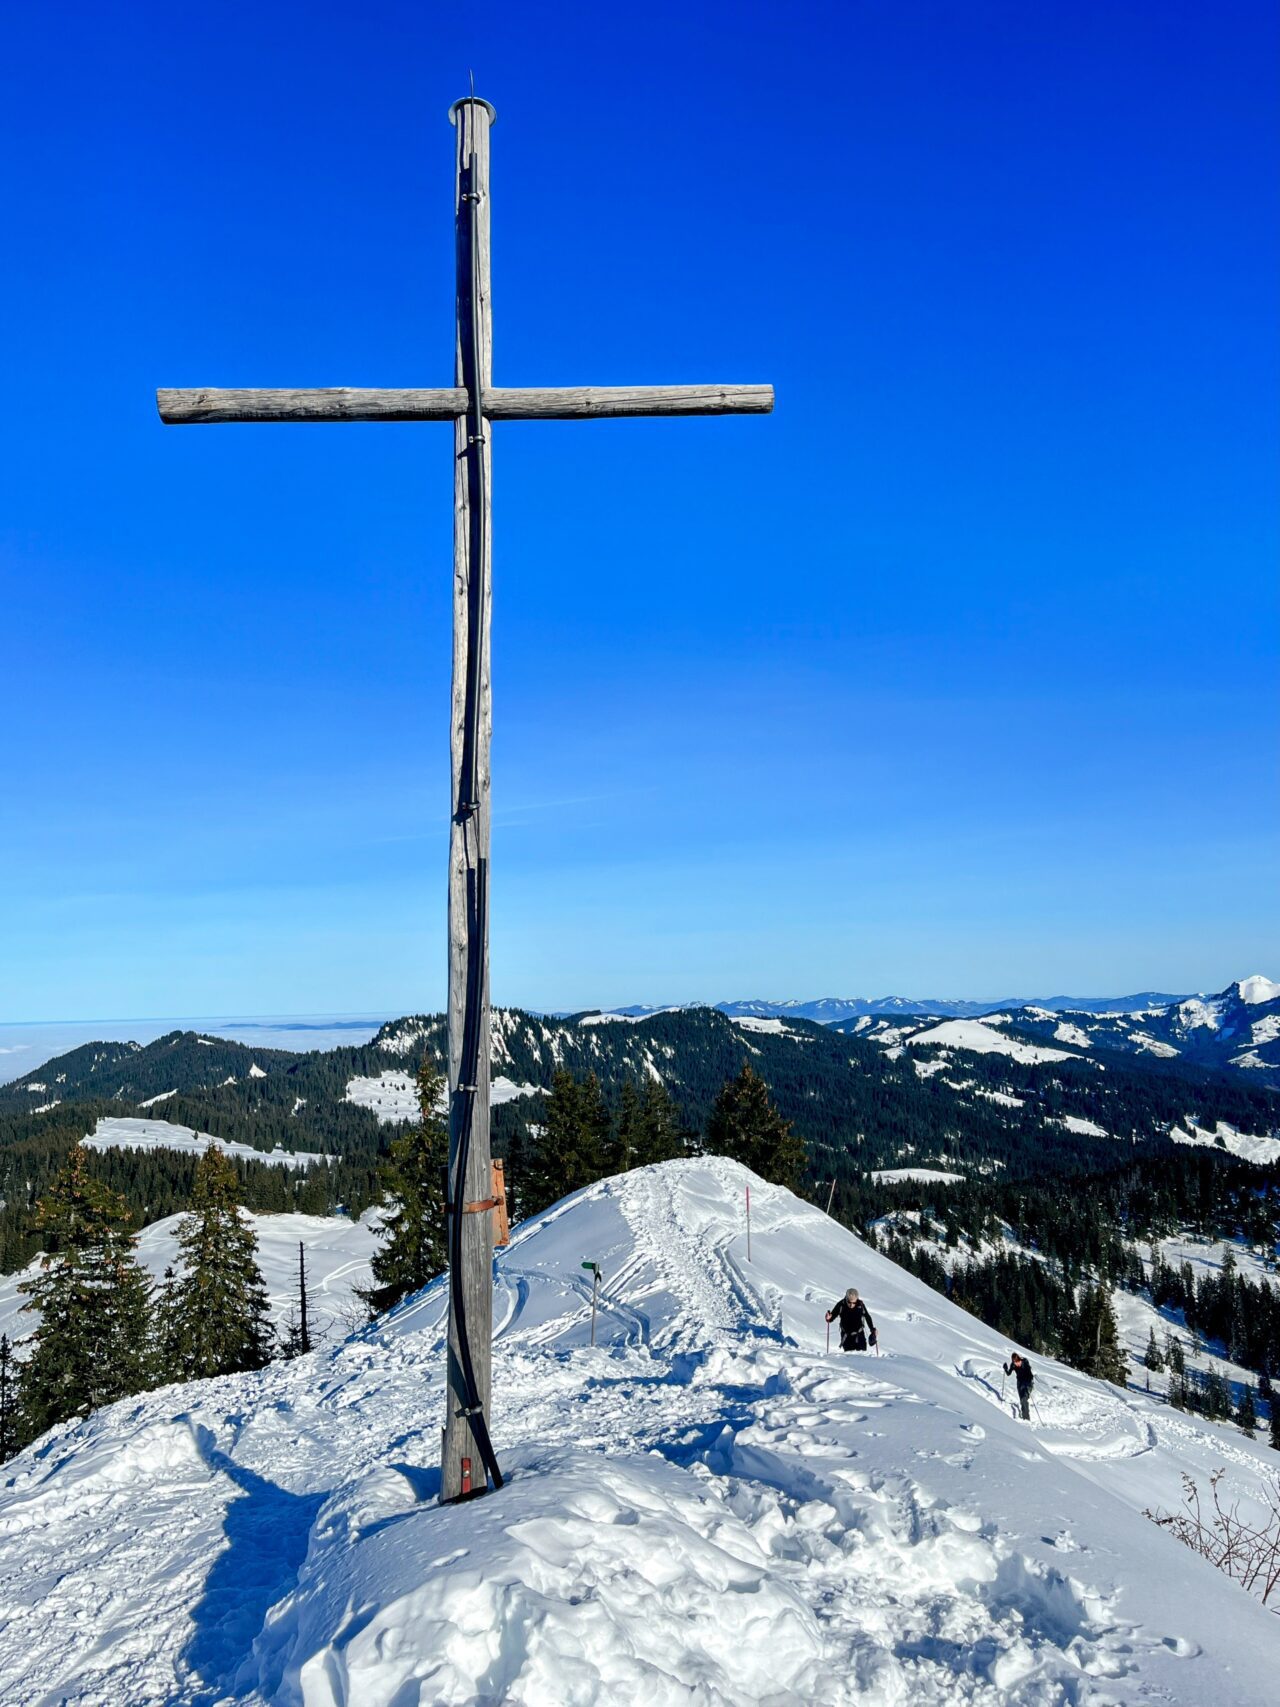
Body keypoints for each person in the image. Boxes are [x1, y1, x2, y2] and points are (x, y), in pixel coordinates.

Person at [826, 1288, 877, 1352]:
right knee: (850, 1358)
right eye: (849, 1302)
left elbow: (867, 1316)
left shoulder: (860, 1305)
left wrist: (872, 1329)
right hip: (846, 1337)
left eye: (854, 1303)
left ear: (856, 1300)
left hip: (859, 1335)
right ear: (846, 1299)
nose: (851, 1305)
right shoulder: (841, 1304)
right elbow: (831, 1318)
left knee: (862, 1357)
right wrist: (829, 1318)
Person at [1003, 1352, 1035, 1421]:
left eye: (1016, 1361)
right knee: (1022, 1400)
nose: (1015, 1362)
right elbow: (1009, 1373)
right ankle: (1024, 1413)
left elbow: (1029, 1372)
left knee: (1024, 1399)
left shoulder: (1025, 1361)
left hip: (1027, 1383)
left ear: (1018, 1358)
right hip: (1020, 1383)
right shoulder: (1013, 1365)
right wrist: (1005, 1368)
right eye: (1013, 1361)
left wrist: (1028, 1381)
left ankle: (1026, 1418)